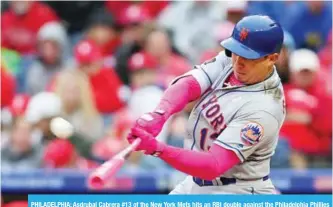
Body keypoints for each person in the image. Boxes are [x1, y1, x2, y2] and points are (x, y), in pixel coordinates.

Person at [127, 15, 285, 194]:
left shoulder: (265, 107)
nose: (238, 63)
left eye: (248, 57)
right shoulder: (233, 59)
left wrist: (158, 149)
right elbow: (190, 83)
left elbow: (214, 165)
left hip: (238, 189)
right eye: (236, 52)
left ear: (271, 58)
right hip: (195, 182)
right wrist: (160, 114)